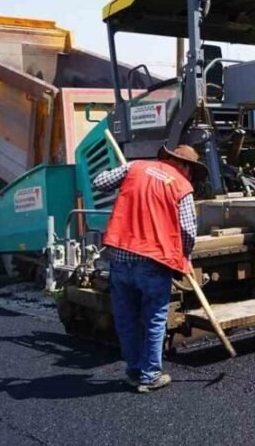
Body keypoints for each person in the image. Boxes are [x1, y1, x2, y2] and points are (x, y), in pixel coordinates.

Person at [92, 145, 205, 393]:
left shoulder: (136, 166)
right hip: (154, 261)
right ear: (184, 166)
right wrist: (184, 256)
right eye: (191, 171)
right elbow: (188, 230)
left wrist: (124, 176)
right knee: (154, 319)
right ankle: (151, 374)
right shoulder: (182, 186)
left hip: (120, 257)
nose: (191, 177)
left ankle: (134, 371)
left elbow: (99, 182)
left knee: (126, 319)